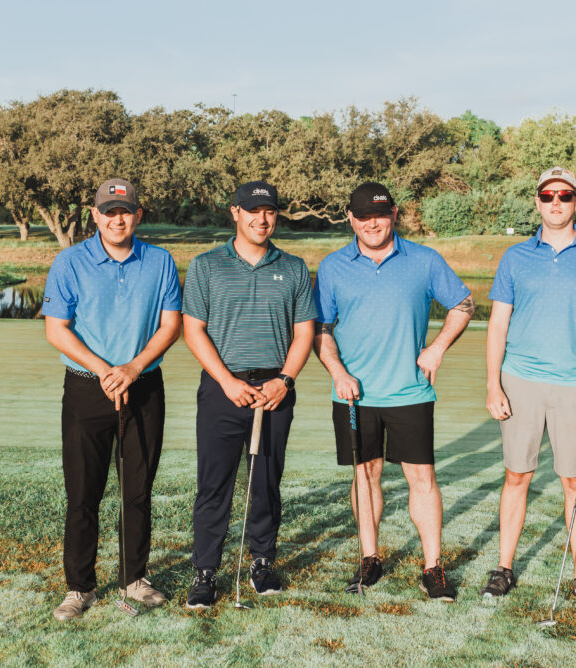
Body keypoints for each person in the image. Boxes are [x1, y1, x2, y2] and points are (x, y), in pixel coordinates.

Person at [314, 182, 474, 601]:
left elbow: (463, 305)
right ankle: (370, 558)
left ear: (394, 215)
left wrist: (437, 348)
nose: (373, 224)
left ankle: (433, 567)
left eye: (380, 216)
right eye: (364, 216)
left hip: (410, 392)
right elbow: (321, 329)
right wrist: (337, 372)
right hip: (354, 394)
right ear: (350, 219)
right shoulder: (332, 267)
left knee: (422, 477)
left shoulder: (424, 260)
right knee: (365, 473)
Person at [482, 166, 576, 611]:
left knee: (573, 481)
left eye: (565, 195)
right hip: (520, 381)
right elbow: (498, 325)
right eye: (548, 196)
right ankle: (503, 568)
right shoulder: (515, 257)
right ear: (538, 202)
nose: (556, 202)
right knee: (517, 475)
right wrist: (493, 384)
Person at [43, 178, 182, 621]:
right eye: (109, 212)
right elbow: (56, 329)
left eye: (125, 212)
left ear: (137, 215)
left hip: (143, 387)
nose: (117, 220)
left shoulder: (160, 261)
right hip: (88, 388)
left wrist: (133, 368)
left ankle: (133, 579)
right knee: (83, 494)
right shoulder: (70, 262)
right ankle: (79, 588)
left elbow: (171, 325)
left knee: (137, 491)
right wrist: (107, 370)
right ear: (95, 216)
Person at [181, 180, 317, 609]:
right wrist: (226, 381)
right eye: (253, 211)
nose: (262, 219)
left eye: (270, 211)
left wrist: (285, 380)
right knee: (213, 484)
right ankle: (205, 572)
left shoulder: (293, 268)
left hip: (275, 390)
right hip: (223, 388)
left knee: (266, 483)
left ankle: (262, 562)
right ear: (235, 212)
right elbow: (193, 330)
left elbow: (304, 333)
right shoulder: (206, 266)